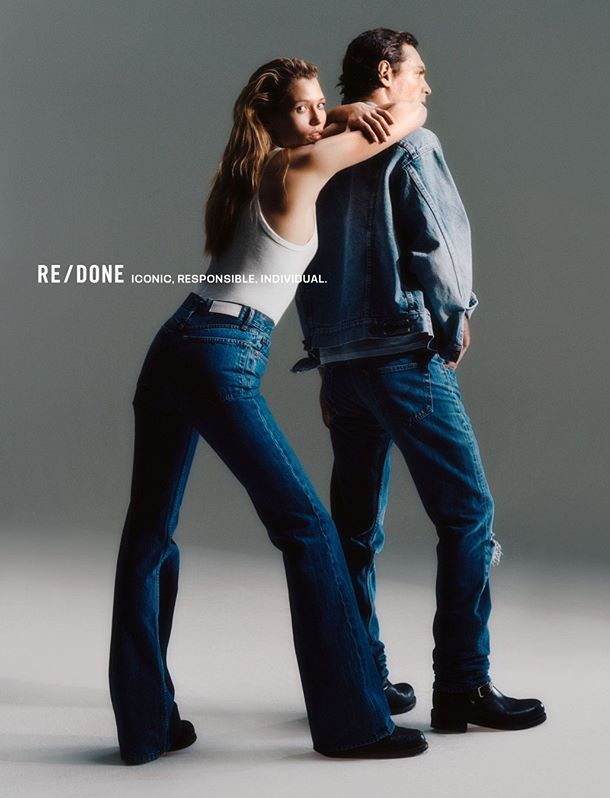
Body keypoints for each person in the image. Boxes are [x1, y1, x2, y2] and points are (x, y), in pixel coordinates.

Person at [108, 56, 429, 765]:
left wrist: (334, 113)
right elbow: (406, 123)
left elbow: (321, 128)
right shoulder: (299, 170)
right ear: (275, 118)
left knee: (150, 534)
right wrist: (384, 102)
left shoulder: (254, 170)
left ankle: (145, 726)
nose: (321, 116)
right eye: (306, 108)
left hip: (178, 343)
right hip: (222, 354)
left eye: (323, 105)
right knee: (309, 529)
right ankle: (353, 724)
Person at [294, 29, 547, 732]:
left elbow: (305, 263)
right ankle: (463, 686)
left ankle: (359, 677)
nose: (427, 86)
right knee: (468, 516)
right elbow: (436, 238)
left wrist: (327, 354)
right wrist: (453, 316)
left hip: (344, 364)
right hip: (403, 352)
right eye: (419, 72)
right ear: (387, 72)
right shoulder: (410, 144)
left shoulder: (320, 154)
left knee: (353, 530)